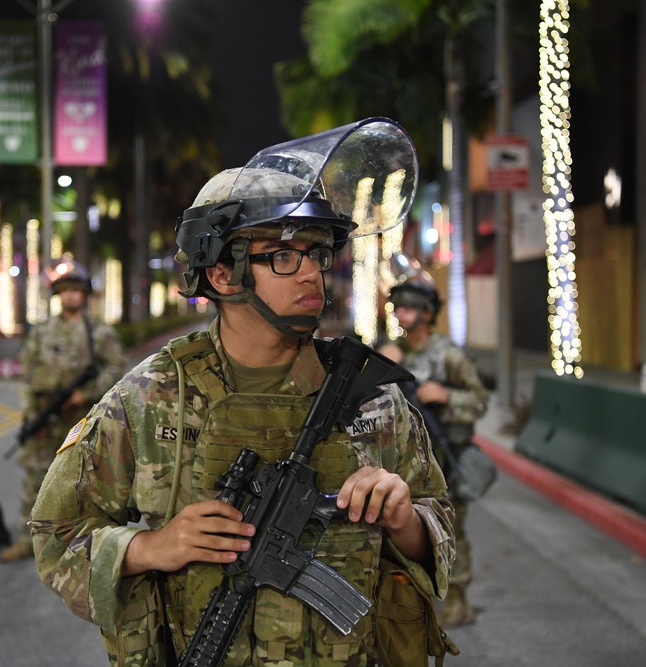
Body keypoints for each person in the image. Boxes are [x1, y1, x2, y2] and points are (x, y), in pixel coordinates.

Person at [30, 119, 456, 665]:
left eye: (317, 253)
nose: (311, 275)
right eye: (284, 255)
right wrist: (146, 548)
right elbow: (55, 536)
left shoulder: (372, 398)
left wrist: (407, 521)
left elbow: (438, 517)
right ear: (224, 274)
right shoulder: (150, 399)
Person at [377, 255, 489, 627]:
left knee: (451, 529)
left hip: (445, 459)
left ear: (426, 312)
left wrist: (446, 396)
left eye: (410, 307)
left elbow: (479, 400)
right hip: (400, 461)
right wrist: (381, 363)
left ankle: (457, 598)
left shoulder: (449, 355)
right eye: (399, 306)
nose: (402, 313)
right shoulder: (392, 350)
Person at [0, 257, 127, 562]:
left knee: (84, 481)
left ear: (84, 294)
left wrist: (85, 394)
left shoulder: (98, 332)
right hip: (47, 416)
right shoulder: (42, 332)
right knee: (34, 479)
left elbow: (116, 369)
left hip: (81, 420)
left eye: (76, 290)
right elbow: (27, 375)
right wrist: (32, 415)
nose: (70, 295)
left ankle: (81, 542)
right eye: (65, 290)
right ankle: (26, 539)